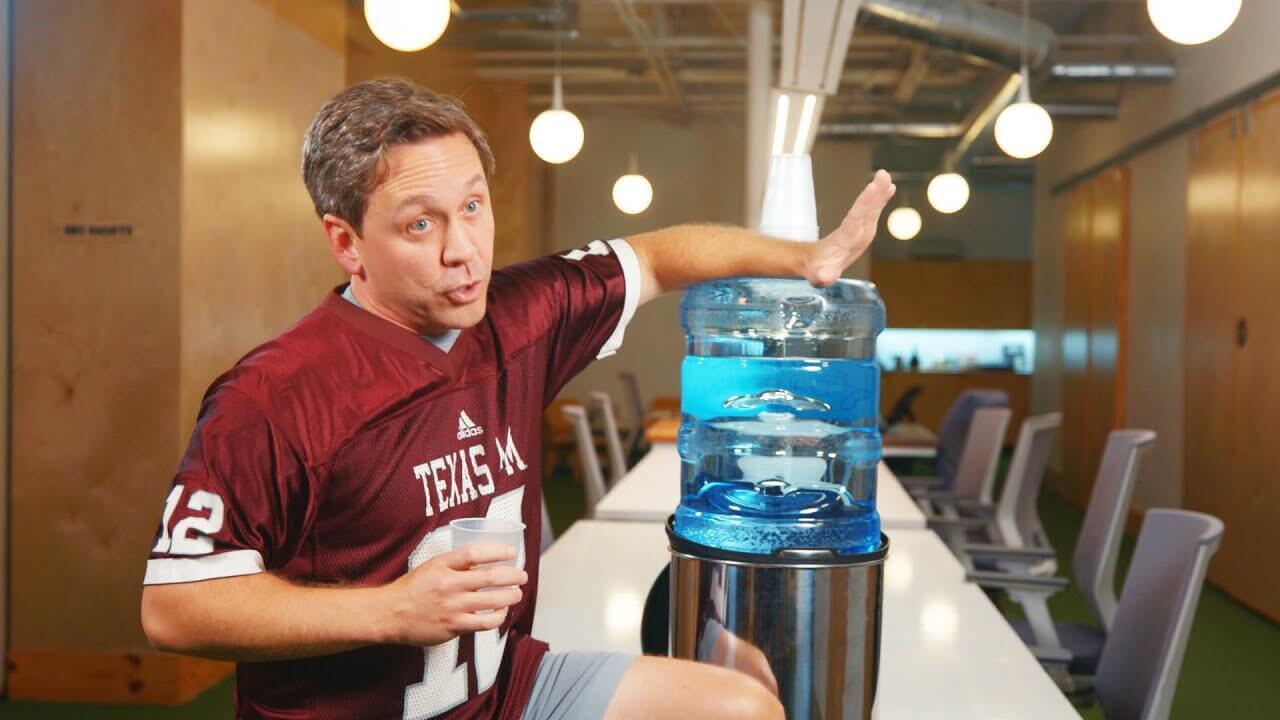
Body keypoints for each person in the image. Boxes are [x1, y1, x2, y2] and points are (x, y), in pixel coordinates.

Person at [140, 78, 895, 720]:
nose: (462, 250)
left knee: (743, 705)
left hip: (507, 690)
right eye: (420, 223)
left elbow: (661, 256)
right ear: (346, 243)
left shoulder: (515, 313)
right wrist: (389, 611)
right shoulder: (277, 394)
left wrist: (803, 257)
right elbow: (174, 607)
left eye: (472, 207)